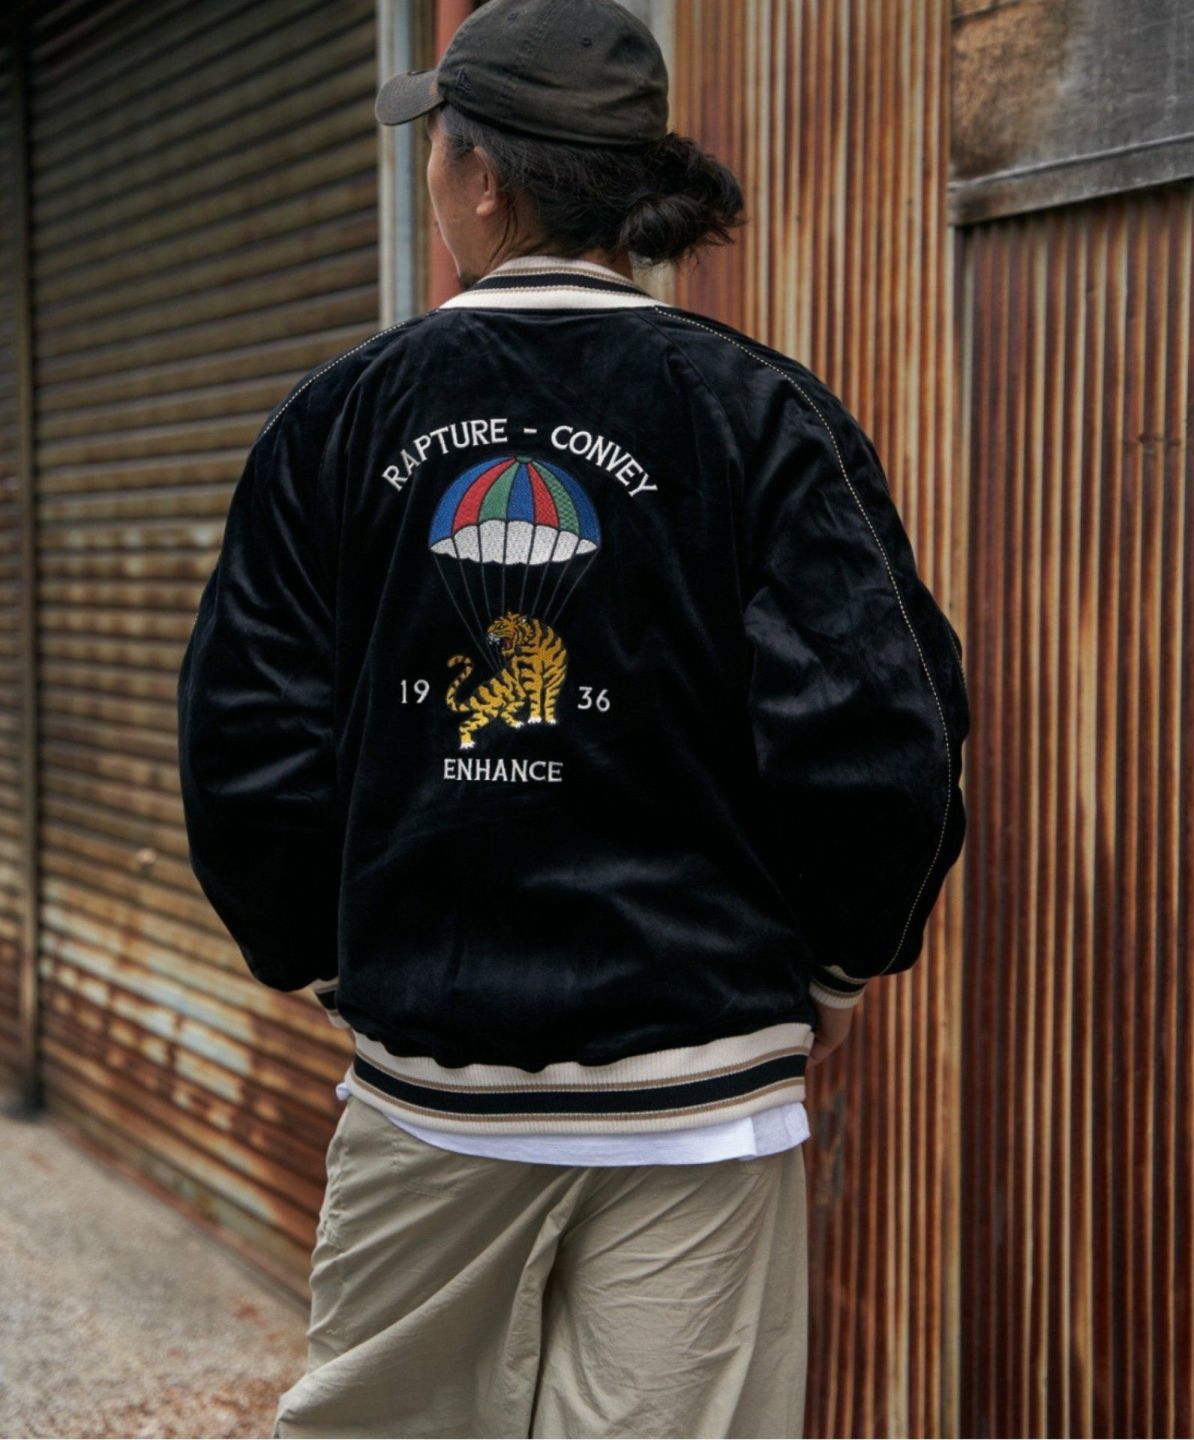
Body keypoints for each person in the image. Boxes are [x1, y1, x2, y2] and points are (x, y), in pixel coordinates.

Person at [175, 1, 970, 1435]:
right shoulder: (760, 414)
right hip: (701, 1096)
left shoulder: (340, 420)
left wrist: (336, 964)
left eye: (438, 150)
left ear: (482, 177)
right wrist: (834, 970)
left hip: (431, 1091)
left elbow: (247, 744)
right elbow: (882, 734)